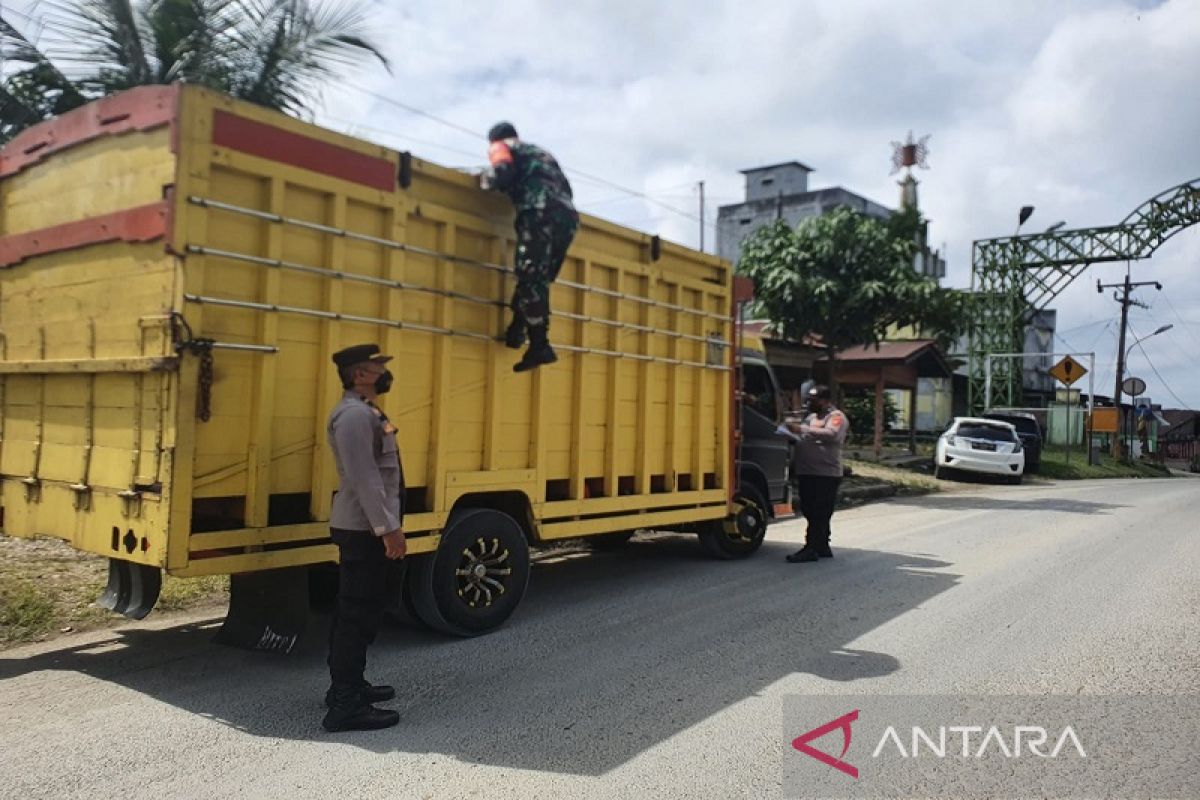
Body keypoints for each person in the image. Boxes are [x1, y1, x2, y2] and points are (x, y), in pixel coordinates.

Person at [323, 343, 407, 732]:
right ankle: (346, 705)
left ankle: (349, 685)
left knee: (355, 610)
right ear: (359, 375)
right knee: (356, 615)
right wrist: (387, 529)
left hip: (363, 525)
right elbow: (365, 478)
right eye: (377, 368)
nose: (383, 373)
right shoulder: (355, 416)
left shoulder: (365, 410)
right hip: (363, 528)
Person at [480, 121, 579, 373]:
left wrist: (484, 179)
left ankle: (539, 345)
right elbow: (568, 189)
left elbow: (502, 173)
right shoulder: (542, 154)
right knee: (538, 279)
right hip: (567, 218)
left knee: (530, 276)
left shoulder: (501, 146)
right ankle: (518, 329)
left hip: (538, 213)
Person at [784, 385, 850, 564]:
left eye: (813, 399)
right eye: (808, 399)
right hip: (806, 471)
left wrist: (802, 430)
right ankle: (822, 545)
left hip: (826, 474)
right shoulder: (811, 417)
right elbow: (803, 436)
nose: (809, 403)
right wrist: (791, 434)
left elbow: (832, 434)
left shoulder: (836, 417)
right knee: (809, 509)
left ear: (826, 401)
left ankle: (811, 548)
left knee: (819, 511)